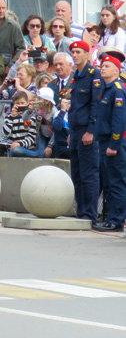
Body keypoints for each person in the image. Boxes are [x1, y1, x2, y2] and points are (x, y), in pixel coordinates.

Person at [68, 40, 102, 224]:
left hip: (86, 131)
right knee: (77, 174)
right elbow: (75, 106)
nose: (75, 55)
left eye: (79, 52)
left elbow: (95, 105)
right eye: (73, 52)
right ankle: (81, 211)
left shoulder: (93, 74)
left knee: (89, 174)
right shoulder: (77, 75)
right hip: (75, 130)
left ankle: (90, 213)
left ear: (87, 54)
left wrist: (90, 130)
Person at [93, 53, 126, 232]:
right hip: (104, 141)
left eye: (106, 66)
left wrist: (114, 144)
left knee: (116, 182)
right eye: (102, 65)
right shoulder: (105, 89)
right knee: (108, 182)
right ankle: (110, 217)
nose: (102, 68)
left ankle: (117, 220)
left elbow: (119, 121)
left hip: (114, 143)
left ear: (116, 70)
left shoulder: (117, 89)